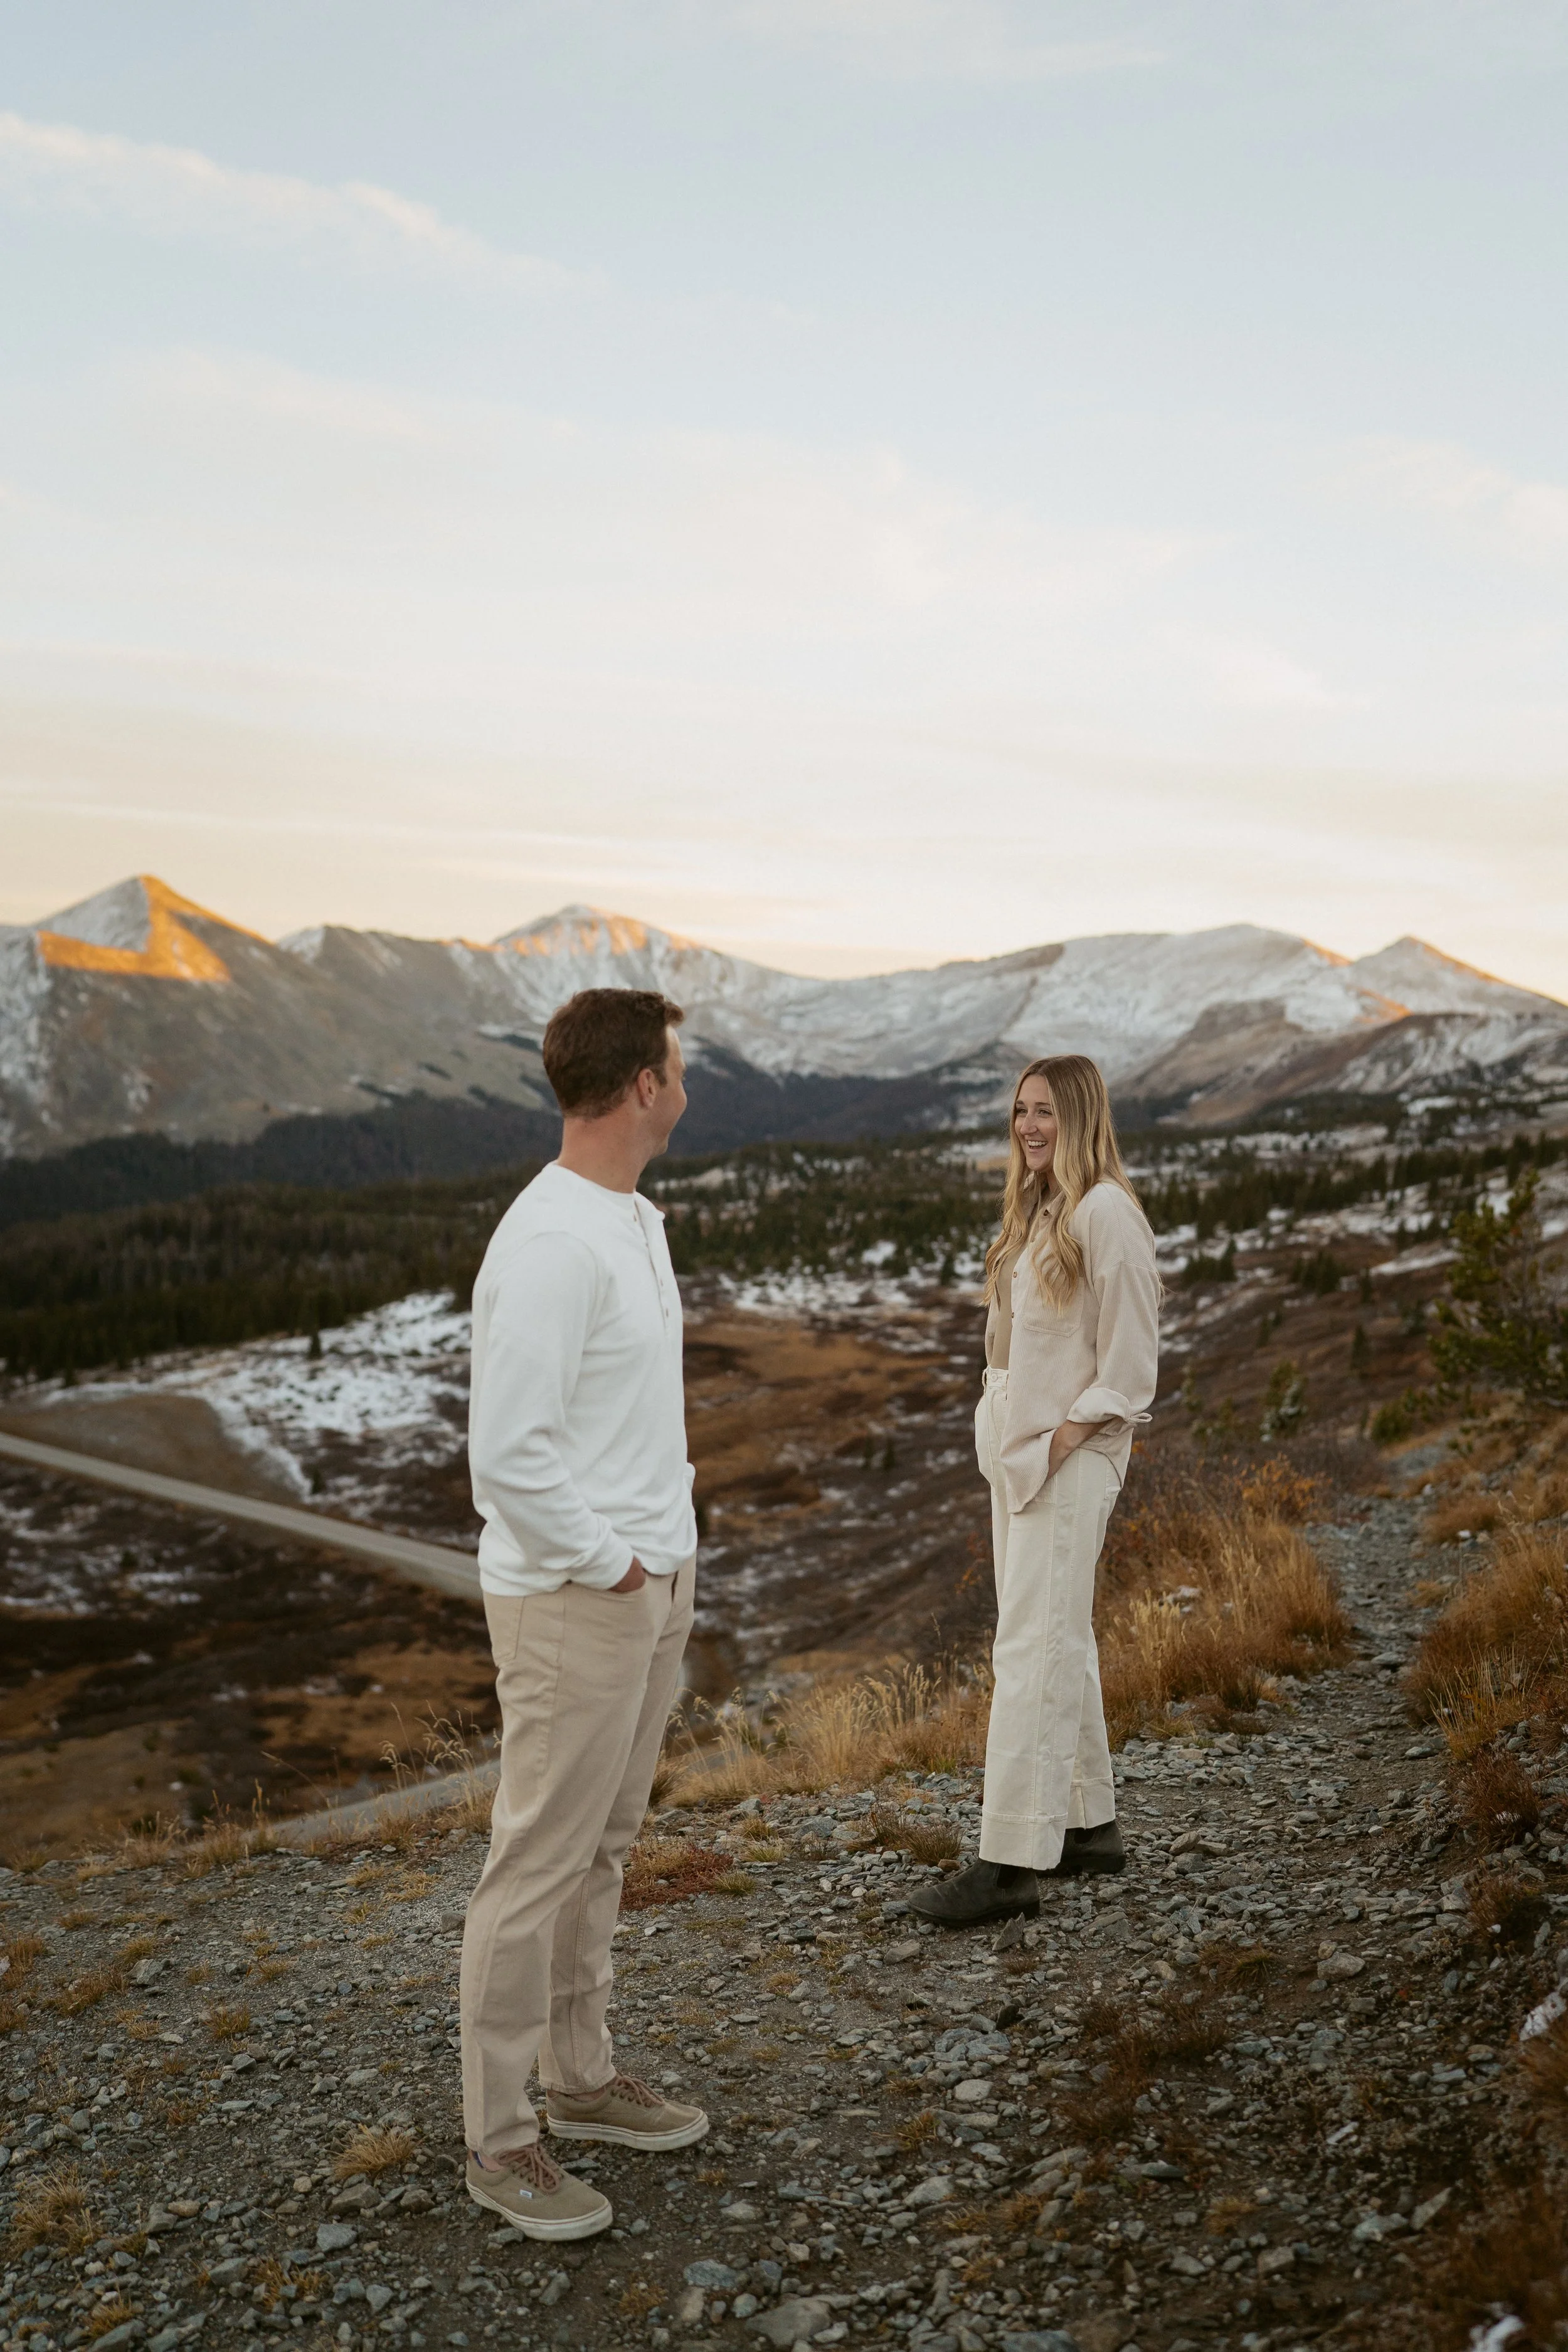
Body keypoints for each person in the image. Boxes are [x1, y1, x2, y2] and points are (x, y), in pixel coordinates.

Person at [458, 986, 708, 2241]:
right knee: (536, 1861)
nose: (687, 1085)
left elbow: (613, 1422)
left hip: (648, 1582)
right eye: (678, 1067)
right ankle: (502, 2139)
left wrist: (667, 1548)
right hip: (578, 1599)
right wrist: (612, 1566)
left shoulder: (629, 1220)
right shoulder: (553, 1240)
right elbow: (508, 1452)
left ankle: (579, 2075)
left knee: (600, 1850)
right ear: (639, 1088)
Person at [910, 1054, 1160, 1929]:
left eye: (1045, 1110)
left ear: (1082, 1114)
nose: (1027, 1125)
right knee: (1061, 1634)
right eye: (1019, 1109)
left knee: (1030, 1645)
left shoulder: (1106, 1215)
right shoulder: (1045, 1207)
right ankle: (1091, 1824)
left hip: (1068, 1458)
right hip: (1021, 1456)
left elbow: (1131, 1371)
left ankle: (1009, 1860)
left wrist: (1062, 1437)